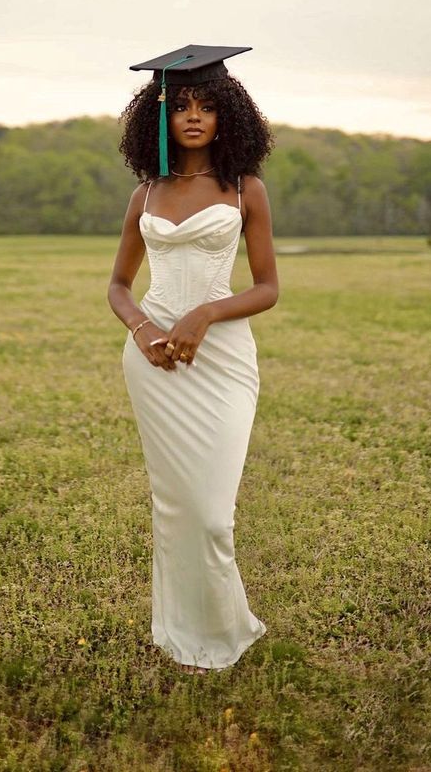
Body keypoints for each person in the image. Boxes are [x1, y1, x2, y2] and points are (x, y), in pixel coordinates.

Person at [107, 45, 278, 674]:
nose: (195, 117)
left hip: (224, 360)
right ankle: (184, 632)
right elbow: (118, 286)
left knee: (211, 512)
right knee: (175, 504)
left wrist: (205, 314)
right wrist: (145, 330)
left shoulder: (245, 189)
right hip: (154, 365)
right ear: (159, 119)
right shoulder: (145, 195)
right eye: (181, 107)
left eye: (207, 105)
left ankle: (224, 627)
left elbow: (267, 288)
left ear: (228, 114)